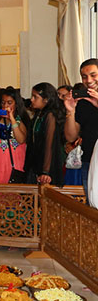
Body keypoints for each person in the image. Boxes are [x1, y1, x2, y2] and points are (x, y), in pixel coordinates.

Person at [64, 59, 98, 200]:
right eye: (84, 76)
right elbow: (71, 137)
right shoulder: (83, 102)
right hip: (89, 161)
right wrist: (70, 111)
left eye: (93, 75)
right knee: (92, 205)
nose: (89, 80)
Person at [26, 82, 65, 186]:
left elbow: (49, 144)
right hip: (35, 162)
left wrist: (46, 171)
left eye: (35, 97)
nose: (31, 99)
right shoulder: (39, 114)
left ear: (46, 100)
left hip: (46, 166)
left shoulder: (50, 116)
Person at [0, 87, 28, 184]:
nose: (5, 106)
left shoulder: (19, 121)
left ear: (16, 104)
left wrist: (12, 119)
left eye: (9, 103)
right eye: (3, 103)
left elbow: (21, 140)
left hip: (15, 160)